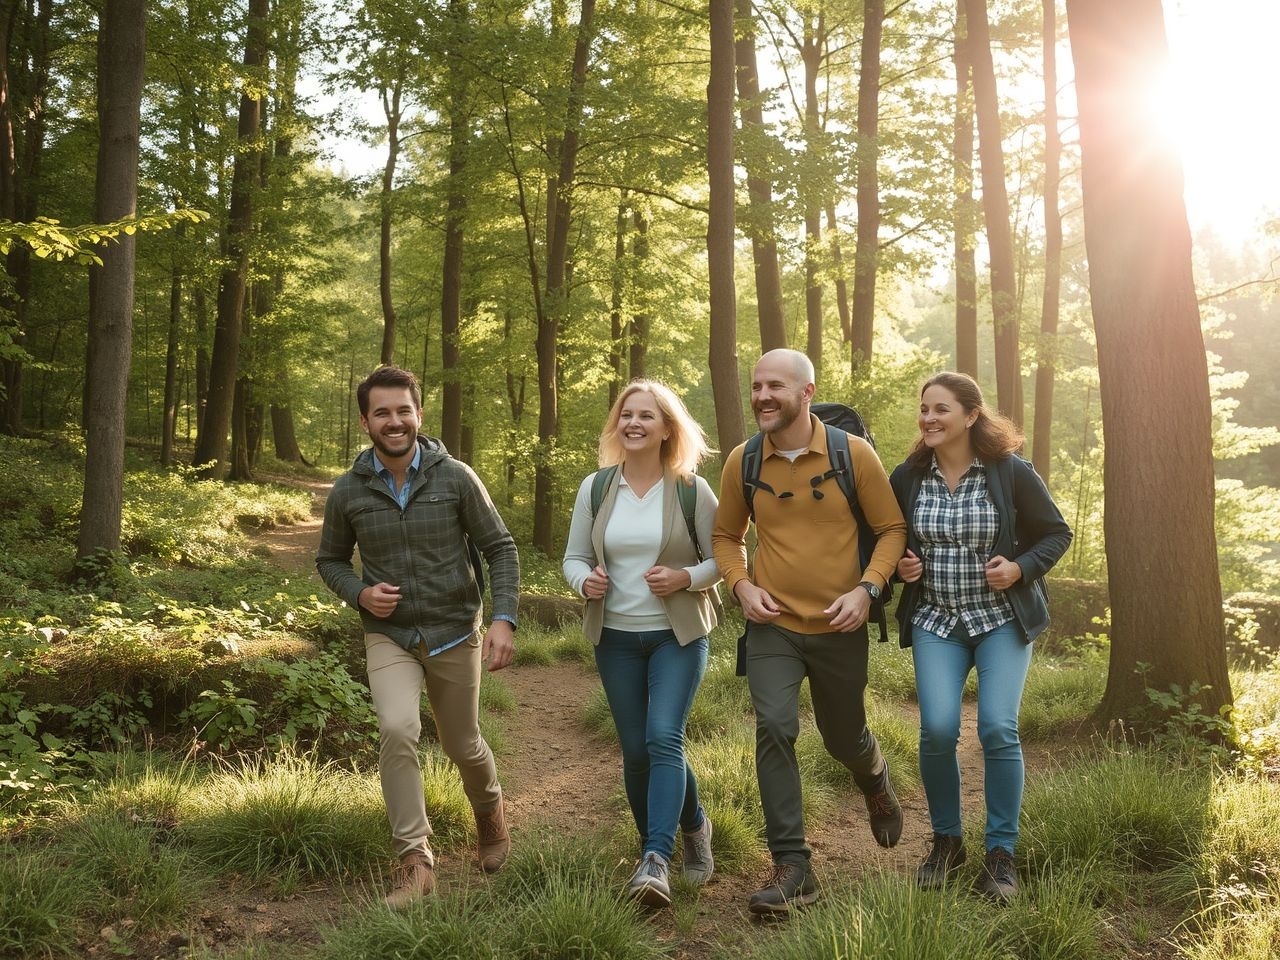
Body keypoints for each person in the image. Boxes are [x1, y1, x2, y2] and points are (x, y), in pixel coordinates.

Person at [712, 349, 908, 916]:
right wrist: (742, 587)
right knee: (774, 726)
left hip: (839, 623)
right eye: (755, 386)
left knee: (843, 736)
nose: (762, 396)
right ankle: (793, 865)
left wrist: (866, 589)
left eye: (775, 385)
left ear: (805, 391)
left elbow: (891, 528)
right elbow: (726, 536)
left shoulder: (854, 456)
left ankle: (873, 776)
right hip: (772, 624)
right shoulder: (742, 462)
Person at [316, 365, 519, 908]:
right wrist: (359, 593)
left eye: (403, 410)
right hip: (391, 636)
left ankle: (491, 815)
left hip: (455, 631)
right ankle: (415, 861)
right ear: (366, 422)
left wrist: (504, 618)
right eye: (382, 412)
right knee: (398, 728)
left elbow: (500, 547)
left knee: (462, 744)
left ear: (419, 415)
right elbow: (329, 559)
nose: (394, 420)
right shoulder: (348, 490)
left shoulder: (455, 477)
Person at [889, 372, 1071, 903]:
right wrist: (903, 565)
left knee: (996, 727)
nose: (929, 419)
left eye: (941, 409)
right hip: (937, 622)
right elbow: (892, 536)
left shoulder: (1009, 472)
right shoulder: (909, 476)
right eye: (924, 409)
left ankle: (1001, 853)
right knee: (939, 730)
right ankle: (947, 842)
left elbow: (1057, 532)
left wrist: (1019, 569)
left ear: (971, 415)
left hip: (1000, 620)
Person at [562, 379, 722, 908]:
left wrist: (686, 578)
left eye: (646, 416)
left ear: (666, 429)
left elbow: (727, 558)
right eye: (626, 415)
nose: (633, 423)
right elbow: (573, 557)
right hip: (615, 637)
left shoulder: (691, 489)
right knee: (637, 751)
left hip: (677, 635)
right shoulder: (597, 487)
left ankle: (656, 858)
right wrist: (584, 582)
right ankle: (695, 827)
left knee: (662, 738)